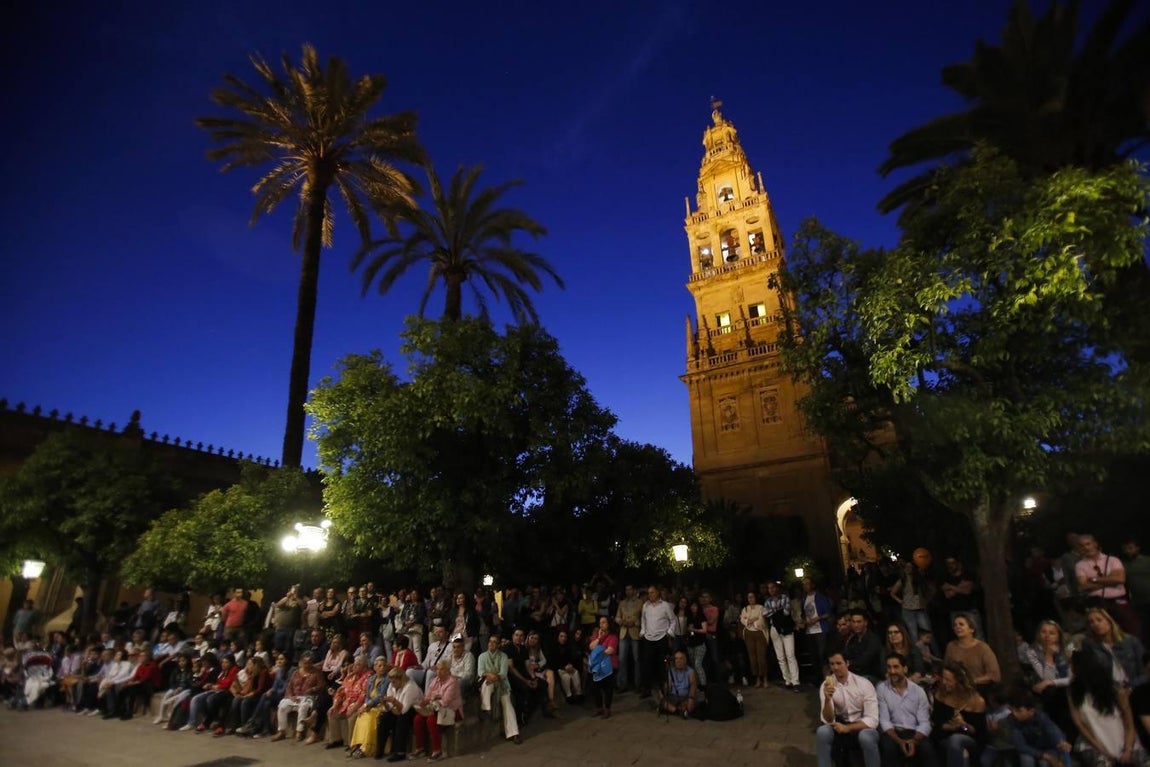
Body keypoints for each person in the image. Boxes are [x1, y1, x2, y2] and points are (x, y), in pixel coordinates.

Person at [1068, 647, 1150, 766]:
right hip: (1093, 743)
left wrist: (1128, 749)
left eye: (1071, 663)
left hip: (1123, 740)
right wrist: (1101, 750)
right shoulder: (1073, 690)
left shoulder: (1115, 690)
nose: (1070, 667)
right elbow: (1079, 724)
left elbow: (1129, 723)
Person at [817, 652, 880, 767]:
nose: (835, 667)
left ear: (847, 663)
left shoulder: (863, 684)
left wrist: (848, 728)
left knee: (867, 737)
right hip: (840, 725)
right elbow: (827, 720)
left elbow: (873, 719)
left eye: (839, 663)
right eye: (832, 664)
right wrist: (827, 699)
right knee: (822, 732)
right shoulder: (826, 685)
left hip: (861, 726)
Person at [877, 652, 937, 766]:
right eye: (889, 667)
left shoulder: (918, 691)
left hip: (914, 732)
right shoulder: (881, 689)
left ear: (905, 669)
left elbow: (924, 722)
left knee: (927, 749)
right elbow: (884, 721)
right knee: (888, 748)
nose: (892, 671)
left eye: (896, 667)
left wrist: (914, 741)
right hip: (893, 732)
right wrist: (900, 742)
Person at [1077, 534, 1139, 637]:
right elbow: (1084, 586)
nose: (1086, 547)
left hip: (1119, 601)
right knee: (1107, 634)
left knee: (1132, 629)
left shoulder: (1112, 560)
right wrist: (1110, 579)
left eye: (1088, 544)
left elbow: (1120, 579)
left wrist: (1093, 579)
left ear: (1095, 544)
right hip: (1098, 604)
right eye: (1082, 546)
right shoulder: (1079, 565)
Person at [995, 687, 1072, 767]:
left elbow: (1052, 729)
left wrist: (1061, 741)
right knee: (1026, 759)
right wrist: (1044, 755)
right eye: (1013, 710)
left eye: (1019, 711)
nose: (1014, 713)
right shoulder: (1012, 720)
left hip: (1047, 748)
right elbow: (1021, 746)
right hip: (1029, 749)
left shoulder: (1041, 717)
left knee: (1044, 763)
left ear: (1031, 711)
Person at [1021, 620, 1073, 737]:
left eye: (1052, 633)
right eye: (1043, 632)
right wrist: (1049, 656)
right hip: (1052, 692)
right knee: (1050, 693)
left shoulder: (1068, 649)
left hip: (1070, 686)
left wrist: (1052, 682)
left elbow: (1072, 678)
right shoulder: (1033, 651)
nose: (1047, 636)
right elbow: (1045, 678)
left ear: (1059, 636)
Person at [930, 661, 987, 767]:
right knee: (957, 748)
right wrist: (951, 727)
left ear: (959, 682)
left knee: (956, 740)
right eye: (943, 678)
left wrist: (963, 725)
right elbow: (936, 722)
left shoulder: (976, 702)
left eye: (948, 680)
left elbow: (980, 734)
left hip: (970, 740)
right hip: (944, 738)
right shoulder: (941, 694)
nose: (944, 682)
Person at [411, 660, 462, 761]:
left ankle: (437, 751)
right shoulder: (435, 680)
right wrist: (423, 702)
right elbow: (428, 696)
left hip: (451, 710)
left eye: (442, 669)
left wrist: (433, 699)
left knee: (431, 720)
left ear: (448, 670)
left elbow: (445, 701)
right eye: (438, 669)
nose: (439, 671)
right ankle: (420, 748)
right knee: (418, 719)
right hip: (434, 708)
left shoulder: (452, 682)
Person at [1084, 606, 1147, 688]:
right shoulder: (1091, 647)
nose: (1096, 624)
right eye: (1091, 622)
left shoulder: (1131, 641)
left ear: (1109, 621)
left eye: (1099, 620)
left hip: (1135, 688)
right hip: (1110, 692)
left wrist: (1130, 687)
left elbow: (1145, 672)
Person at [271, 651, 325, 742]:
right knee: (282, 705)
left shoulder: (316, 673)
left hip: (308, 697)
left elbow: (322, 685)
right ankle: (281, 731)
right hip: (295, 697)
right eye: (305, 663)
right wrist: (291, 696)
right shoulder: (296, 672)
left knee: (303, 707)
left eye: (309, 663)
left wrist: (312, 689)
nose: (307, 665)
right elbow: (289, 686)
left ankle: (299, 731)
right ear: (301, 662)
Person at [477, 635, 521, 745]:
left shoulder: (503, 656)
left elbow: (503, 673)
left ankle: (513, 733)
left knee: (508, 704)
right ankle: (486, 709)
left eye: (494, 642)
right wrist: (489, 675)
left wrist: (494, 677)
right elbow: (480, 671)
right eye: (490, 641)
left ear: (498, 645)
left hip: (502, 684)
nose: (491, 644)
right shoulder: (482, 656)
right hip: (488, 681)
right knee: (487, 685)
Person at [944, 614, 1001, 694]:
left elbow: (994, 675)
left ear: (972, 629)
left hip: (979, 691)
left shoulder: (983, 648)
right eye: (955, 625)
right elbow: (946, 668)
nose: (957, 627)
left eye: (961, 624)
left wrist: (971, 681)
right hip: (957, 691)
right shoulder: (951, 646)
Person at [375, 666, 421, 762]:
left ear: (401, 679)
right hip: (397, 709)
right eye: (391, 682)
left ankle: (400, 752)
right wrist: (385, 703)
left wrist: (395, 702)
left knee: (402, 719)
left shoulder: (410, 687)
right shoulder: (392, 685)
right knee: (384, 718)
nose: (392, 684)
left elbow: (404, 710)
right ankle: (380, 749)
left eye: (395, 682)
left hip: (414, 710)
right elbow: (388, 708)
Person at [348, 656, 390, 758]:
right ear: (375, 667)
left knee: (369, 718)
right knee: (361, 715)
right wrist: (365, 706)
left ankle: (365, 749)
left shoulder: (387, 679)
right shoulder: (371, 679)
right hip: (370, 705)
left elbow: (381, 697)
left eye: (384, 665)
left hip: (381, 706)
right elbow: (367, 695)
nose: (382, 668)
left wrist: (367, 705)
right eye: (379, 666)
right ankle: (357, 745)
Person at [765, 580, 802, 690]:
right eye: (769, 588)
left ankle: (795, 681)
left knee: (790, 654)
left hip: (786, 627)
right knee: (780, 656)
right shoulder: (767, 601)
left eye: (773, 587)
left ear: (777, 588)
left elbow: (786, 612)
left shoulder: (784, 597)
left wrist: (774, 612)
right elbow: (765, 613)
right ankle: (787, 680)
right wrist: (778, 611)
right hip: (774, 628)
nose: (771, 590)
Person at [892, 562, 935, 645]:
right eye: (906, 567)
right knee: (913, 634)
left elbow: (932, 590)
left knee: (927, 632)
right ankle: (918, 654)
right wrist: (900, 601)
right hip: (908, 609)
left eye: (910, 567)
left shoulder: (919, 580)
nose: (908, 569)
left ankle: (934, 653)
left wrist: (927, 600)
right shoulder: (902, 581)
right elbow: (893, 593)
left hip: (920, 608)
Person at [941, 558, 982, 641]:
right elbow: (948, 595)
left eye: (952, 563)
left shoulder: (967, 575)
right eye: (948, 563)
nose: (950, 565)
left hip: (969, 610)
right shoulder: (946, 577)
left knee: (977, 636)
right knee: (961, 638)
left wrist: (951, 587)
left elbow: (968, 590)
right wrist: (961, 587)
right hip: (955, 611)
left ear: (958, 563)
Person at [801, 577, 835, 676]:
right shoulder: (804, 599)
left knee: (822, 655)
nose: (805, 586)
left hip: (820, 629)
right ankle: (818, 678)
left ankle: (827, 677)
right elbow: (803, 614)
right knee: (814, 656)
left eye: (807, 584)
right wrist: (803, 621)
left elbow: (828, 612)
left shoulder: (820, 597)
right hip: (809, 630)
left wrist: (817, 618)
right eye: (803, 584)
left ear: (812, 585)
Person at [588, 615, 618, 718]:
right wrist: (599, 638)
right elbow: (591, 647)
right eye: (600, 622)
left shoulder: (613, 636)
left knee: (607, 688)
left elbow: (610, 650)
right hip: (597, 666)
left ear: (609, 624)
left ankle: (607, 709)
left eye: (604, 622)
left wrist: (597, 652)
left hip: (609, 665)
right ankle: (599, 707)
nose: (601, 624)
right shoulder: (597, 635)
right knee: (595, 687)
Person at [1122, 538, 1150, 646]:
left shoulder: (1147, 561)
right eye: (1125, 549)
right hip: (1138, 601)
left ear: (1137, 548)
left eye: (1130, 548)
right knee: (1143, 627)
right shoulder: (1124, 564)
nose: (1128, 551)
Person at [843, 610, 884, 683]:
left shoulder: (873, 639)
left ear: (865, 623)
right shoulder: (852, 639)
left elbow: (865, 660)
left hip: (872, 675)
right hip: (855, 673)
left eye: (859, 622)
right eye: (853, 622)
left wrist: (849, 663)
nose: (856, 625)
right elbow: (847, 654)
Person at [614, 585, 642, 691]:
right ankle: (622, 684)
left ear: (634, 590)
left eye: (630, 589)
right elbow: (617, 617)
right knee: (621, 659)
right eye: (626, 589)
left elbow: (642, 618)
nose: (628, 591)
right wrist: (622, 621)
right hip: (624, 631)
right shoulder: (622, 603)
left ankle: (638, 684)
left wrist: (634, 623)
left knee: (636, 659)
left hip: (635, 632)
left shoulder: (640, 602)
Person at [740, 591, 769, 688]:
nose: (751, 599)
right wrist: (751, 620)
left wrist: (751, 621)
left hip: (759, 632)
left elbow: (761, 621)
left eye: (752, 597)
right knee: (752, 658)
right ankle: (757, 679)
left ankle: (764, 678)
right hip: (749, 634)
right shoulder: (745, 609)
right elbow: (743, 620)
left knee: (761, 657)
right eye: (749, 597)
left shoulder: (760, 607)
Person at [660, 649, 698, 719]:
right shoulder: (671, 671)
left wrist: (691, 698)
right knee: (662, 700)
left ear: (685, 660)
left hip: (685, 697)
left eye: (681, 658)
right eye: (676, 659)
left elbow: (693, 685)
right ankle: (678, 711)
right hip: (673, 697)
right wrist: (663, 691)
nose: (678, 661)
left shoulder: (690, 671)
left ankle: (675, 709)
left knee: (690, 704)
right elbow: (668, 686)